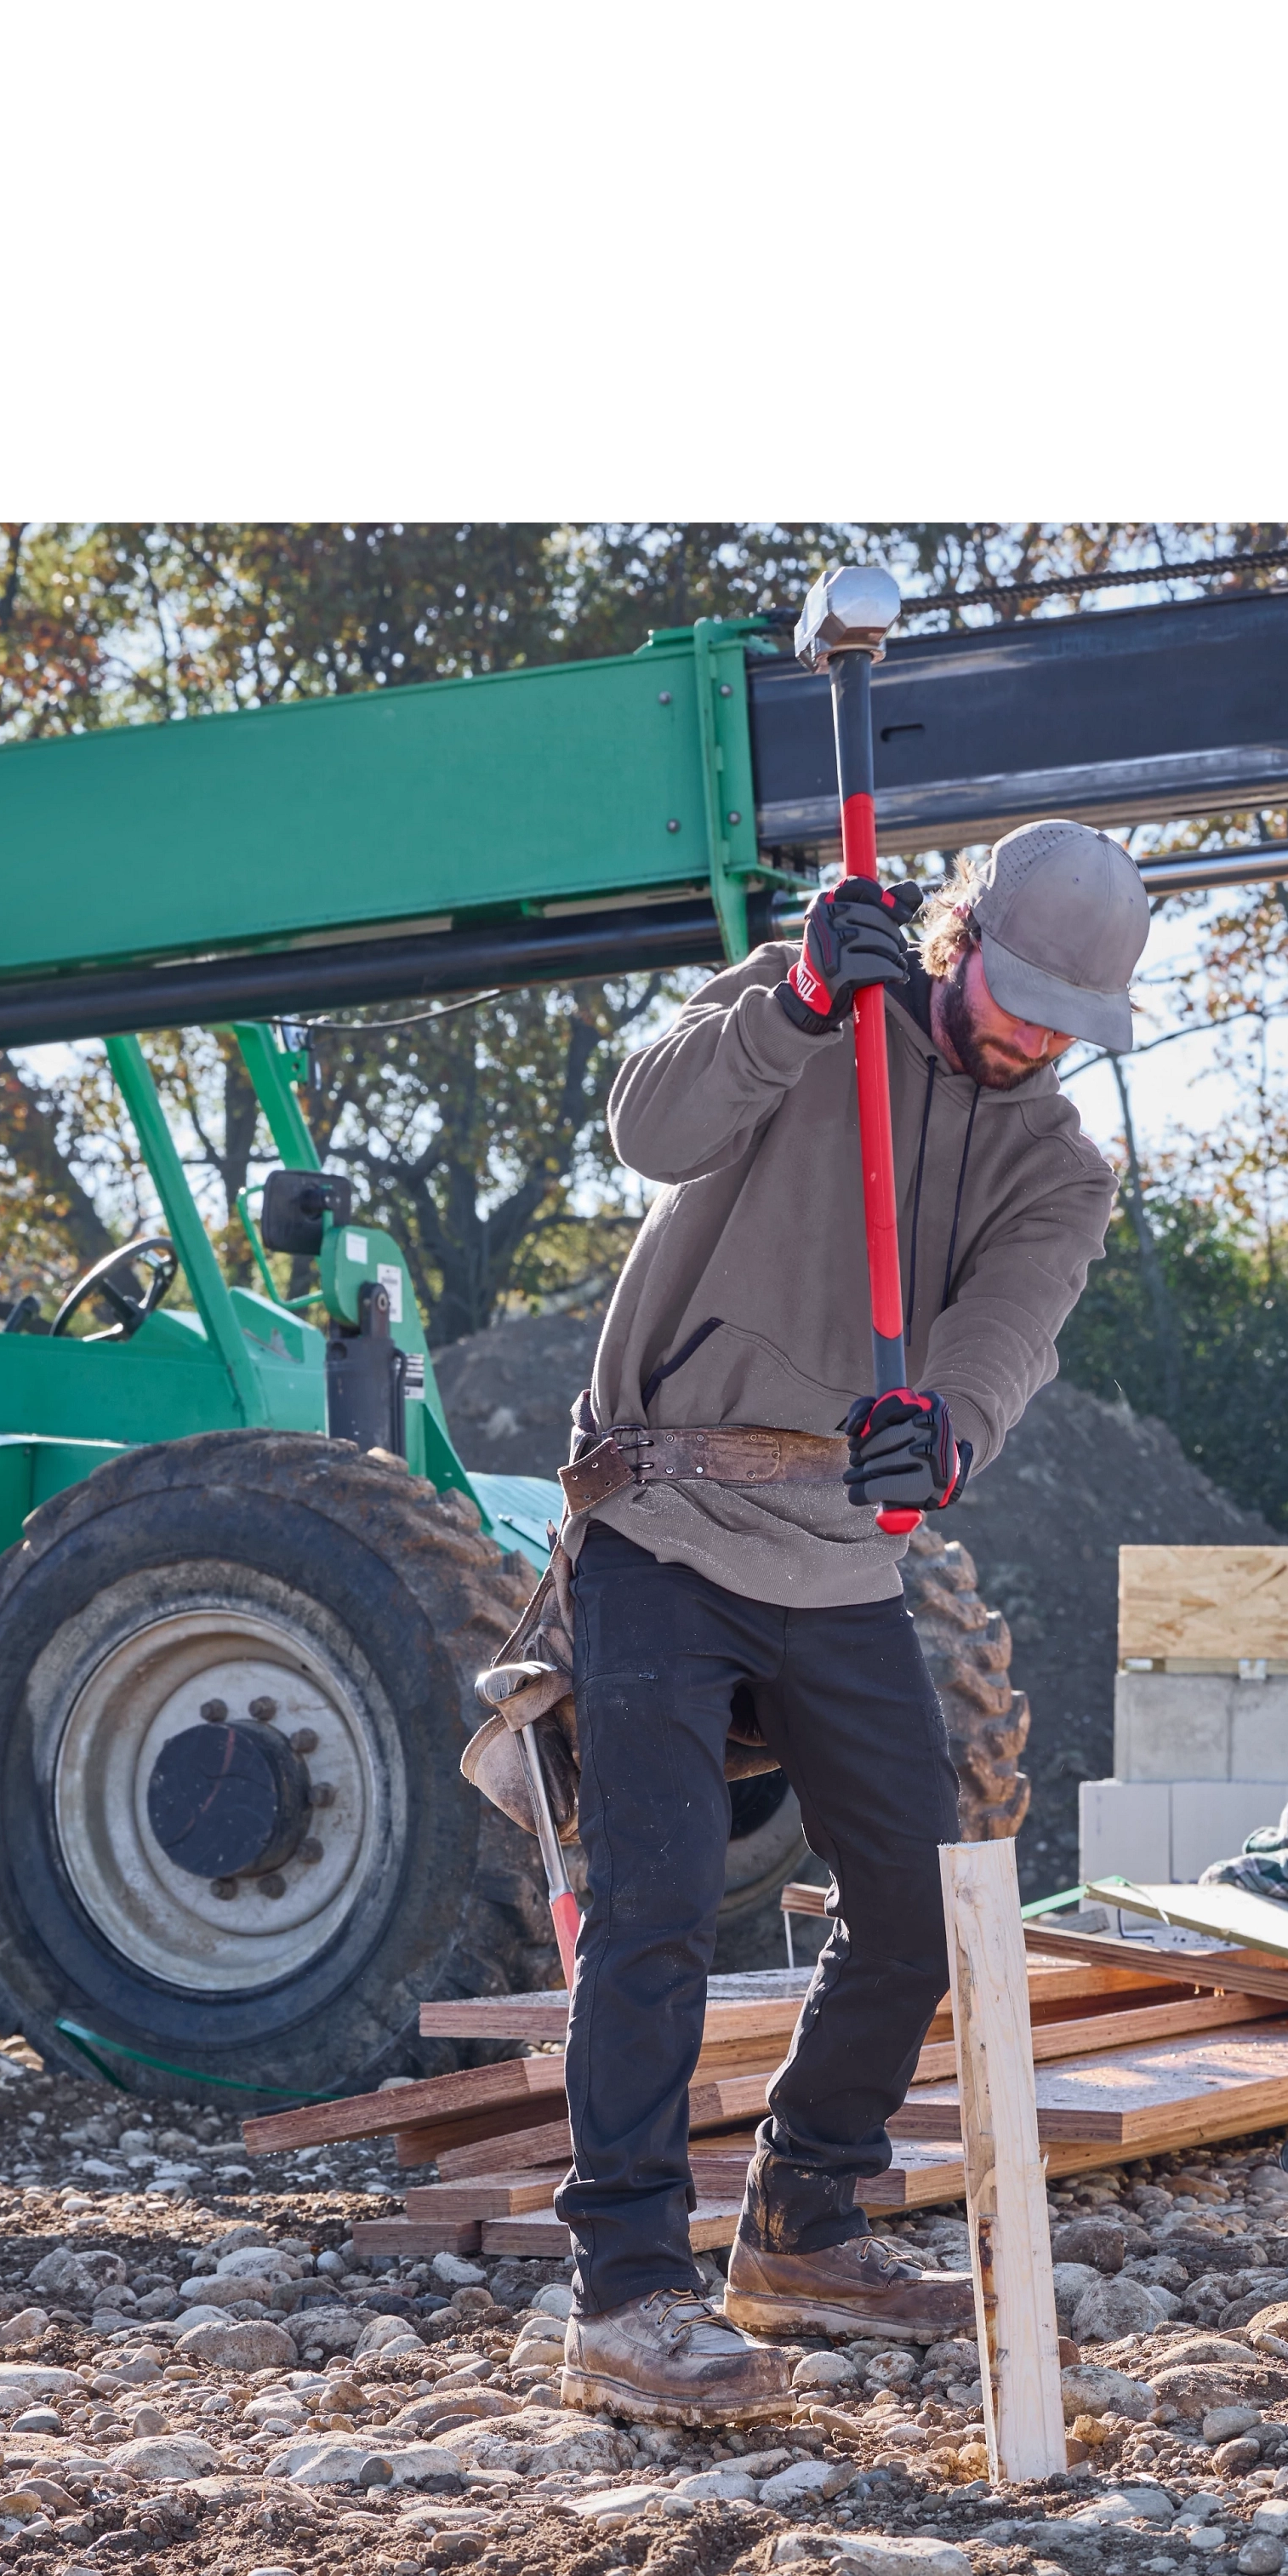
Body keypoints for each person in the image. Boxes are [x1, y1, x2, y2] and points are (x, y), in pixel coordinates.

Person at [542, 820, 1146, 2421]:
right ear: (955, 937)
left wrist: (943, 1432)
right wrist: (795, 1005)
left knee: (920, 1896)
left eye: (1061, 1023)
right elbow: (649, 1130)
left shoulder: (1059, 1165)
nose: (1026, 1036)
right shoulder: (813, 996)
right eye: (1013, 993)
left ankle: (803, 2224)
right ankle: (628, 2288)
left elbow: (1006, 1336)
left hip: (835, 1547)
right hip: (660, 1515)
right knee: (658, 1902)